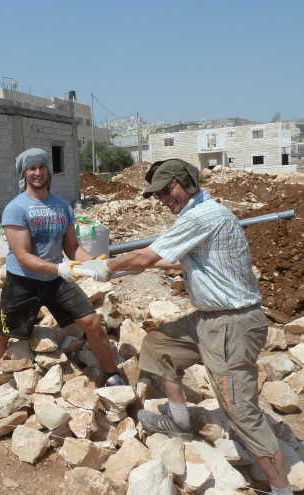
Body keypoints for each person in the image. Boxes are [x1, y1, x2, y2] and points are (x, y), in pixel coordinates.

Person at [79, 158, 293, 495]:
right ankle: (179, 421)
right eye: (159, 194)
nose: (165, 198)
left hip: (230, 325)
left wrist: (104, 266)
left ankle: (280, 488)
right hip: (209, 318)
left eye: (168, 189)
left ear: (186, 183)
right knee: (159, 345)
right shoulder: (201, 215)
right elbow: (170, 259)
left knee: (240, 412)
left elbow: (146, 257)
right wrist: (119, 270)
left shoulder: (201, 216)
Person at [0, 148, 124, 397]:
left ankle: (112, 375)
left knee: (92, 322)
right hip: (22, 283)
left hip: (56, 280)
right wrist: (61, 268)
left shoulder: (62, 207)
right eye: (32, 168)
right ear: (24, 173)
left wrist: (93, 264)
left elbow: (71, 246)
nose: (37, 173)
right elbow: (23, 256)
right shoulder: (16, 208)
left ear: (48, 170)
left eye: (41, 167)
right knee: (4, 333)